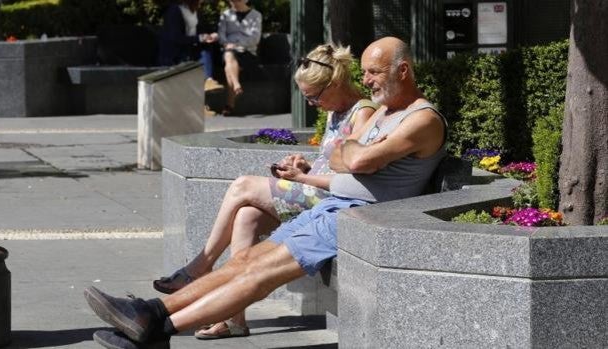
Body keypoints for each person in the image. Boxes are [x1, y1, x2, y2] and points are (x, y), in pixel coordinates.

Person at [84, 36, 448, 349]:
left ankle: (158, 328)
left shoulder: (422, 119)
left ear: (403, 71)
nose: (366, 80)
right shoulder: (383, 112)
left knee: (260, 274)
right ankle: (154, 312)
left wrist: (354, 155)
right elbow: (343, 155)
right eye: (365, 71)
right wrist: (351, 154)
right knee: (245, 262)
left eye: (374, 72)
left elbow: (358, 161)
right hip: (335, 206)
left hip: (359, 215)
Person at [153, 43, 377, 339]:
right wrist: (305, 166)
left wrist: (302, 178)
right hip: (314, 188)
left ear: (335, 83)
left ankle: (198, 268)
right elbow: (332, 162)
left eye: (313, 97)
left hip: (333, 201)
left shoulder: (362, 113)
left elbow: (351, 175)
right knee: (245, 215)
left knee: (243, 185)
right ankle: (234, 320)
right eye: (306, 97)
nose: (311, 104)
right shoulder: (336, 110)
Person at [203, 0, 262, 115]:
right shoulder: (226, 15)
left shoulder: (256, 15)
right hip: (228, 50)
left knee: (228, 66)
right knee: (229, 54)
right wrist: (227, 44)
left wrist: (237, 45)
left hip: (248, 52)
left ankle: (231, 100)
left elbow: (255, 38)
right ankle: (235, 88)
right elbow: (221, 35)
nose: (234, 2)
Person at [157, 0, 219, 89]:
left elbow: (204, 30)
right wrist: (200, 38)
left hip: (190, 48)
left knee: (206, 47)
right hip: (175, 53)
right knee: (202, 48)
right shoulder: (175, 11)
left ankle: (208, 80)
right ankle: (207, 80)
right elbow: (176, 38)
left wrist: (212, 35)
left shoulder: (196, 11)